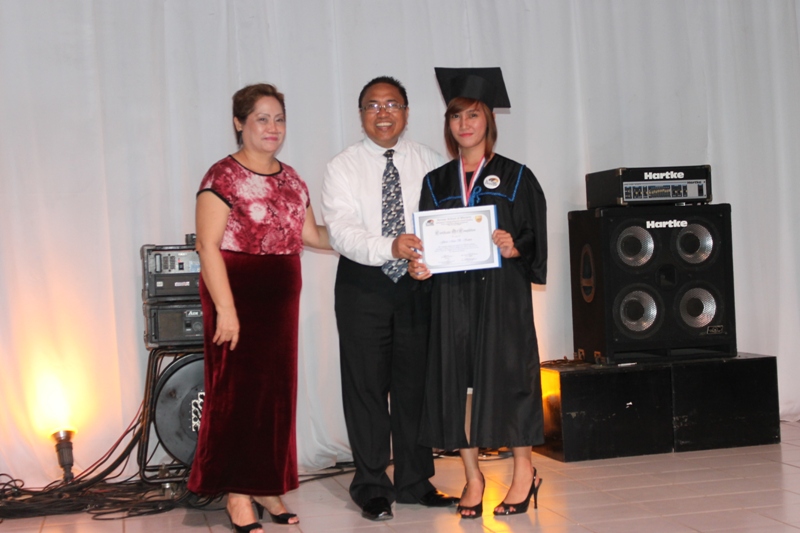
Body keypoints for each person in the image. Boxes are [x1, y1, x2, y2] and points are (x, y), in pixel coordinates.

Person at [187, 83, 330, 532]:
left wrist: (371, 238)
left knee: (275, 396)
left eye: (279, 119)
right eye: (262, 118)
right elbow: (207, 247)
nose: (273, 127)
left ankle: (267, 485)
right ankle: (237, 493)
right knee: (239, 397)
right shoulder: (222, 177)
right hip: (237, 294)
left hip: (281, 296)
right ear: (239, 123)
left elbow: (313, 236)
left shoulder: (292, 179)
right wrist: (226, 310)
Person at [412, 67, 548, 519]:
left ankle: (524, 472)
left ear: (489, 119)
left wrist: (515, 245)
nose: (464, 124)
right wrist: (420, 265)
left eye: (473, 114)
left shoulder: (516, 177)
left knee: (511, 379)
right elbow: (426, 244)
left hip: (502, 298)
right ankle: (473, 478)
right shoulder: (436, 183)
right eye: (455, 116)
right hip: (452, 298)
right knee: (457, 384)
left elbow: (535, 239)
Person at [321, 76, 458, 522]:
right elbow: (342, 232)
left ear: (406, 112)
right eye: (373, 105)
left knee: (415, 387)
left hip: (418, 284)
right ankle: (372, 486)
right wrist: (391, 247)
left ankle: (415, 482)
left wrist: (428, 260)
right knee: (366, 388)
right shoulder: (342, 166)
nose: (383, 113)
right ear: (361, 114)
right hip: (363, 284)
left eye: (392, 104)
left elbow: (446, 222)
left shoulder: (431, 161)